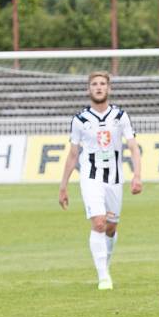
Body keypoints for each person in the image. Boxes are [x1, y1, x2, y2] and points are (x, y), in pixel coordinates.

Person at [58, 71, 142, 290]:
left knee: (111, 227)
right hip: (90, 177)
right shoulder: (80, 120)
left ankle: (106, 262)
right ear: (89, 89)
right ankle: (103, 276)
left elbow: (133, 146)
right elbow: (73, 154)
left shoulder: (120, 116)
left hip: (115, 179)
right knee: (98, 222)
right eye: (94, 84)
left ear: (109, 88)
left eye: (102, 83)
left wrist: (137, 175)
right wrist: (63, 185)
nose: (98, 87)